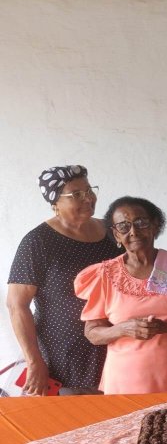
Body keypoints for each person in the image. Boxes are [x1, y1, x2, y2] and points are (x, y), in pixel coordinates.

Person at [7, 165, 122, 395]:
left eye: (89, 190)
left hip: (117, 348)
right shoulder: (38, 242)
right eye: (76, 194)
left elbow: (139, 265)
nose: (88, 198)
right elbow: (16, 305)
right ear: (55, 203)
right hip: (65, 360)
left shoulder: (112, 232)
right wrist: (34, 361)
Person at [77, 197, 167, 394]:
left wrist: (166, 327)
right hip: (125, 382)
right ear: (115, 234)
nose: (133, 232)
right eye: (123, 226)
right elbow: (93, 333)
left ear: (155, 225)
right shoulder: (103, 275)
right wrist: (123, 329)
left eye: (141, 223)